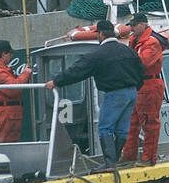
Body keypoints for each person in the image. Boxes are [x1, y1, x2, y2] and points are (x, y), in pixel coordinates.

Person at [45, 19, 143, 165]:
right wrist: (134, 88)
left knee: (105, 128)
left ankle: (109, 163)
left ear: (101, 34)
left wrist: (56, 81)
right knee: (122, 129)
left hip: (114, 94)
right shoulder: (129, 51)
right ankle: (115, 160)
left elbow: (77, 71)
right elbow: (141, 71)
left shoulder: (98, 54)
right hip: (132, 93)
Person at [120, 12, 165, 165]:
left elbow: (143, 63)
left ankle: (148, 158)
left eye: (134, 25)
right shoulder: (134, 40)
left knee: (149, 122)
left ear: (143, 25)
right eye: (130, 25)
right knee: (131, 121)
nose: (131, 28)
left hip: (150, 85)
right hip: (138, 84)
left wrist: (123, 61)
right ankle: (128, 155)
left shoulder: (151, 42)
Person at [0, 40, 32, 142]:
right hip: (5, 114)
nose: (11, 57)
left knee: (8, 144)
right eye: (10, 54)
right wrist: (26, 73)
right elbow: (14, 89)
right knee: (6, 145)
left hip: (6, 113)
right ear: (4, 54)